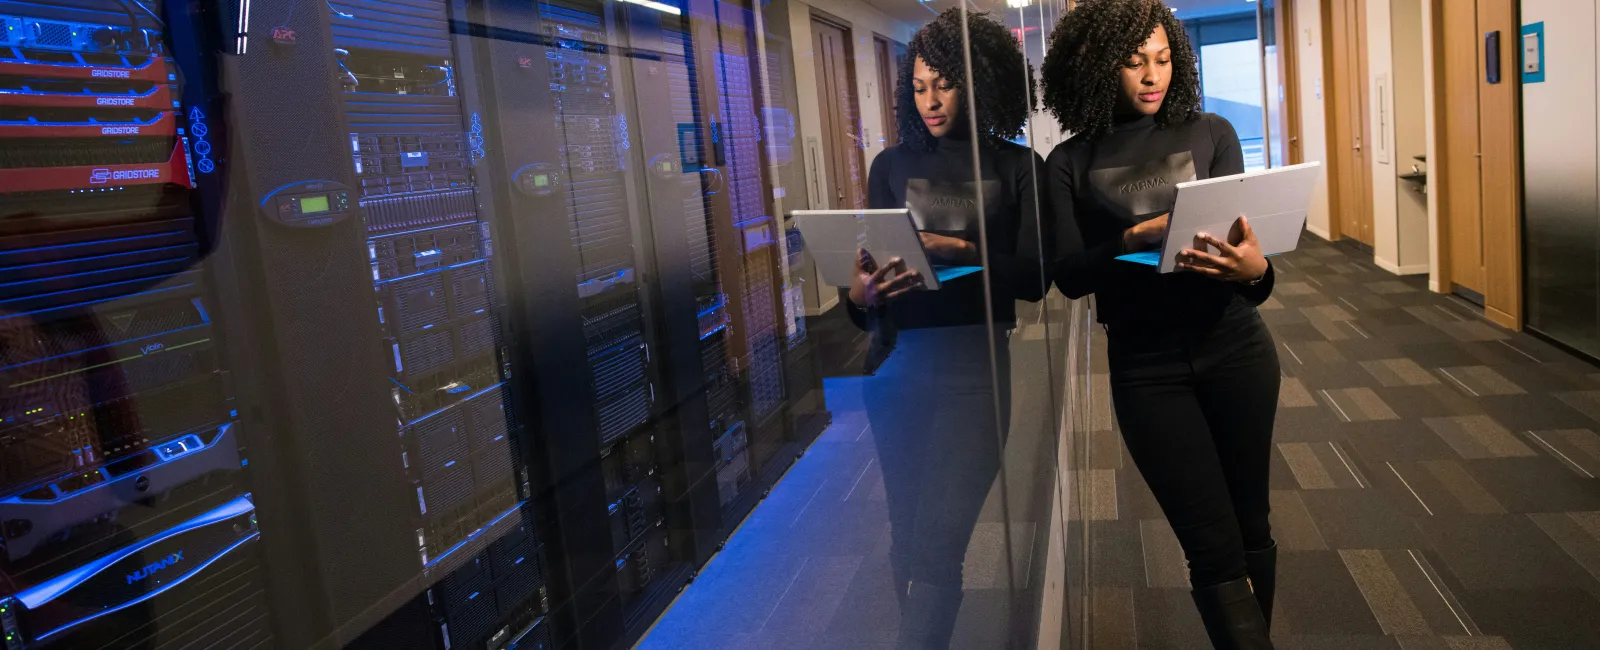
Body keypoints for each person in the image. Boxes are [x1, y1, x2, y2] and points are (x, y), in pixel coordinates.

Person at [1040, 1, 1281, 648]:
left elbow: (1246, 270)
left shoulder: (1212, 132)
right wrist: (1132, 240)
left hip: (1236, 346)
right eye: (1134, 61)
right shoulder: (1068, 161)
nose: (1153, 75)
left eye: (1164, 59)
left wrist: (1255, 269)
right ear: (1094, 66)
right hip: (1147, 370)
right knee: (1212, 544)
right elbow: (1068, 274)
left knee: (1251, 524)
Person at [841, 8, 1046, 647]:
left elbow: (1036, 278)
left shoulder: (1017, 167)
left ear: (978, 83)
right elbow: (868, 292)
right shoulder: (889, 166)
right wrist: (860, 293)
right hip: (897, 366)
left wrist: (955, 250)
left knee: (938, 542)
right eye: (921, 86)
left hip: (975, 370)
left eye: (946, 84)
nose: (931, 100)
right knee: (907, 533)